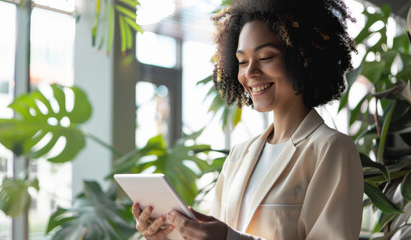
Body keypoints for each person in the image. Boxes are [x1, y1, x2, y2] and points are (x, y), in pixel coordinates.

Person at [131, 0, 364, 239]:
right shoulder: (239, 155)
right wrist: (167, 235)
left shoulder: (331, 149)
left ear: (303, 57)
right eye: (242, 61)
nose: (250, 72)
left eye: (265, 57)